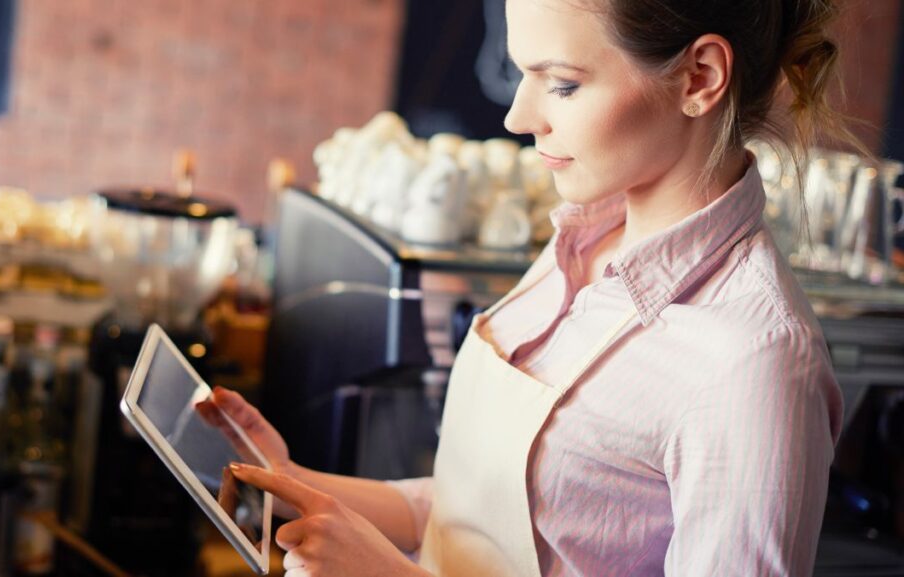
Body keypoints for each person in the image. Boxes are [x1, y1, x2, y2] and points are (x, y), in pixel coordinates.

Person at [198, 0, 855, 574]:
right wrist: (291, 483)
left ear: (700, 77)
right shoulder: (585, 239)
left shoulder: (754, 364)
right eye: (522, 75)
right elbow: (482, 510)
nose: (517, 116)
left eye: (562, 84)